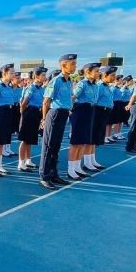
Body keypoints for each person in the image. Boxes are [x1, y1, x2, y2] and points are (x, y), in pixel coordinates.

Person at [39, 54, 77, 190]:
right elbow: (46, 101)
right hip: (54, 114)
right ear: (63, 65)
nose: (75, 66)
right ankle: (44, 176)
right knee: (48, 145)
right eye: (72, 64)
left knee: (56, 145)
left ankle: (53, 173)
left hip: (63, 114)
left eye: (75, 64)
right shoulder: (56, 81)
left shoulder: (69, 81)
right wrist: (43, 119)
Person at [68, 62, 100, 179]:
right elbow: (72, 98)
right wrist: (70, 111)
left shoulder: (95, 85)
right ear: (88, 72)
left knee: (83, 142)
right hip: (80, 112)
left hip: (90, 112)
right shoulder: (82, 84)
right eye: (96, 71)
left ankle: (77, 166)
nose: (98, 73)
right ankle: (70, 169)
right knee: (76, 142)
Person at [17, 67, 47, 171]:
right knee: (25, 139)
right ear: (36, 76)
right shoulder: (31, 88)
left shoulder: (42, 89)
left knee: (31, 139)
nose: (45, 77)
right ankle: (21, 163)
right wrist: (24, 115)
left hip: (36, 113)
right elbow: (24, 104)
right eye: (43, 75)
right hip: (29, 113)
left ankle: (28, 160)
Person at [91, 65, 116, 167]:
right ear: (105, 75)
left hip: (104, 112)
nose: (114, 77)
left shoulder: (106, 86)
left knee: (98, 137)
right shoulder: (100, 86)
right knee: (94, 136)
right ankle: (89, 161)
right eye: (112, 75)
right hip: (99, 113)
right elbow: (94, 101)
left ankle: (92, 159)